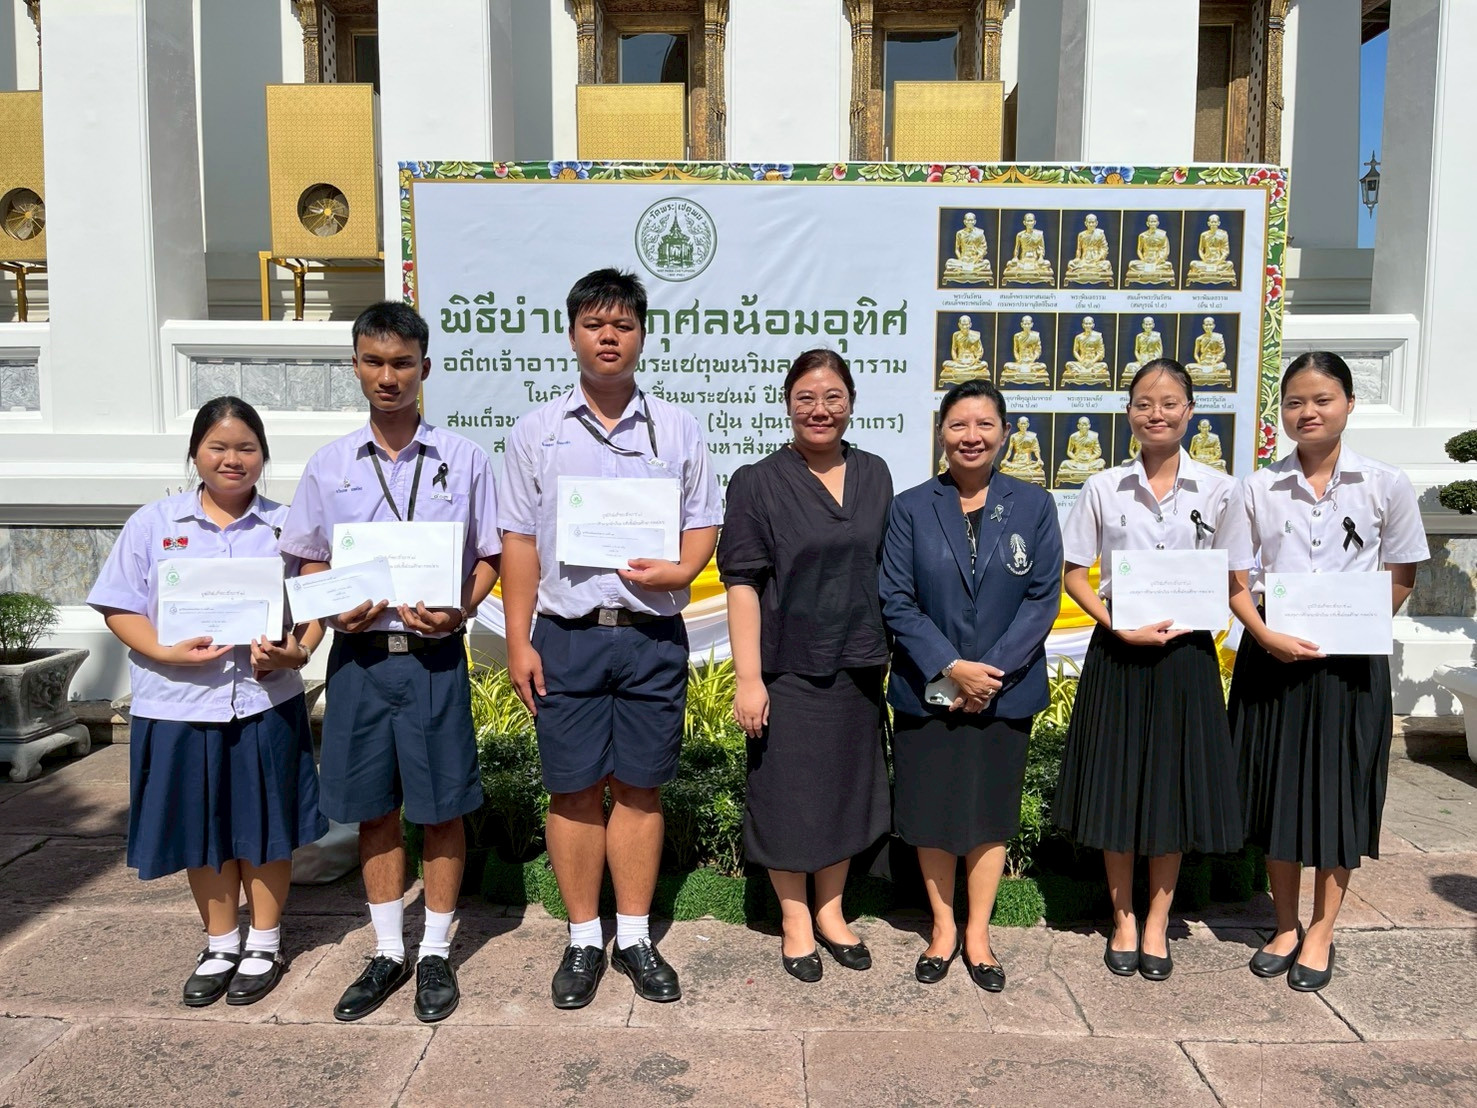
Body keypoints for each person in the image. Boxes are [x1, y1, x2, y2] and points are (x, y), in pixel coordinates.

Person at [499, 268, 722, 1010]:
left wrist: (684, 567)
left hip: (650, 635)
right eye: (594, 324)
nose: (608, 337)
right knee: (570, 790)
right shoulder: (537, 432)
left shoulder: (677, 428)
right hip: (566, 636)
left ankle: (633, 935)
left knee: (639, 787)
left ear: (642, 336)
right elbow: (518, 541)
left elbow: (703, 521)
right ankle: (582, 938)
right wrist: (519, 640)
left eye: (622, 325)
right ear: (571, 334)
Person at [278, 301, 501, 1024]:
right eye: (373, 362)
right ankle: (387, 950)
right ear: (355, 367)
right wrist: (330, 607)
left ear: (424, 368)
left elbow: (490, 555)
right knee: (374, 809)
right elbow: (309, 557)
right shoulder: (329, 465)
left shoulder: (464, 459)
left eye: (402, 363)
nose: (388, 376)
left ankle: (434, 951)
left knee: (441, 809)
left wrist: (461, 608)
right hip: (360, 658)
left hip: (433, 659)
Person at [88, 396, 327, 1008]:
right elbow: (120, 605)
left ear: (263, 455)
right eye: (217, 447)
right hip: (178, 703)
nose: (232, 459)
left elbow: (316, 606)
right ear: (195, 453)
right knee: (203, 827)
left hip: (263, 701)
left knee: (266, 828)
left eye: (246, 448)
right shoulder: (153, 524)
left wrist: (295, 653)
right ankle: (221, 942)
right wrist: (165, 651)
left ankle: (265, 942)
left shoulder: (287, 526)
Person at [1228, 352, 1429, 992]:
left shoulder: (1386, 484)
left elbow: (1401, 574)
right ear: (1282, 412)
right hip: (1272, 658)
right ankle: (1285, 924)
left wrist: (1354, 626)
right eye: (1295, 402)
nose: (1308, 412)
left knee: (1339, 793)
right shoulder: (1257, 487)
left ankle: (1322, 929)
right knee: (1276, 790)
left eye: (1322, 400)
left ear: (1349, 404)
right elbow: (1235, 579)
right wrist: (1264, 635)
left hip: (1351, 667)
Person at [1054, 358, 1250, 982]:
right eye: (1143, 403)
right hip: (1119, 651)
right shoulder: (1102, 487)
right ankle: (1123, 919)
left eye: (1169, 403)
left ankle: (1158, 922)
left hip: (1186, 658)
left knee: (1170, 790)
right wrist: (1114, 623)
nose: (1156, 414)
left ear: (1190, 412)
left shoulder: (1221, 490)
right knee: (1116, 786)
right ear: (1129, 413)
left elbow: (1235, 578)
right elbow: (1074, 573)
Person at [881, 379, 1063, 992]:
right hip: (928, 688)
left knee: (989, 815)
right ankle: (942, 928)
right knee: (930, 813)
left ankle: (979, 934)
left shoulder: (1034, 505)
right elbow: (896, 599)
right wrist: (951, 666)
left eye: (985, 424)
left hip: (1005, 691)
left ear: (1005, 433)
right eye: (959, 424)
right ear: (941, 433)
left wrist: (990, 673)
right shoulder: (911, 507)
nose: (971, 436)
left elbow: (1041, 599)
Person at [718, 349, 892, 983]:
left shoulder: (874, 473)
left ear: (851, 403)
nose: (820, 409)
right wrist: (748, 679)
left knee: (846, 790)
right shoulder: (757, 481)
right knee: (788, 796)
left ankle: (831, 911)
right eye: (806, 398)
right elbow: (742, 582)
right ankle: (795, 919)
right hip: (786, 667)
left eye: (833, 397)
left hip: (859, 665)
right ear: (788, 405)